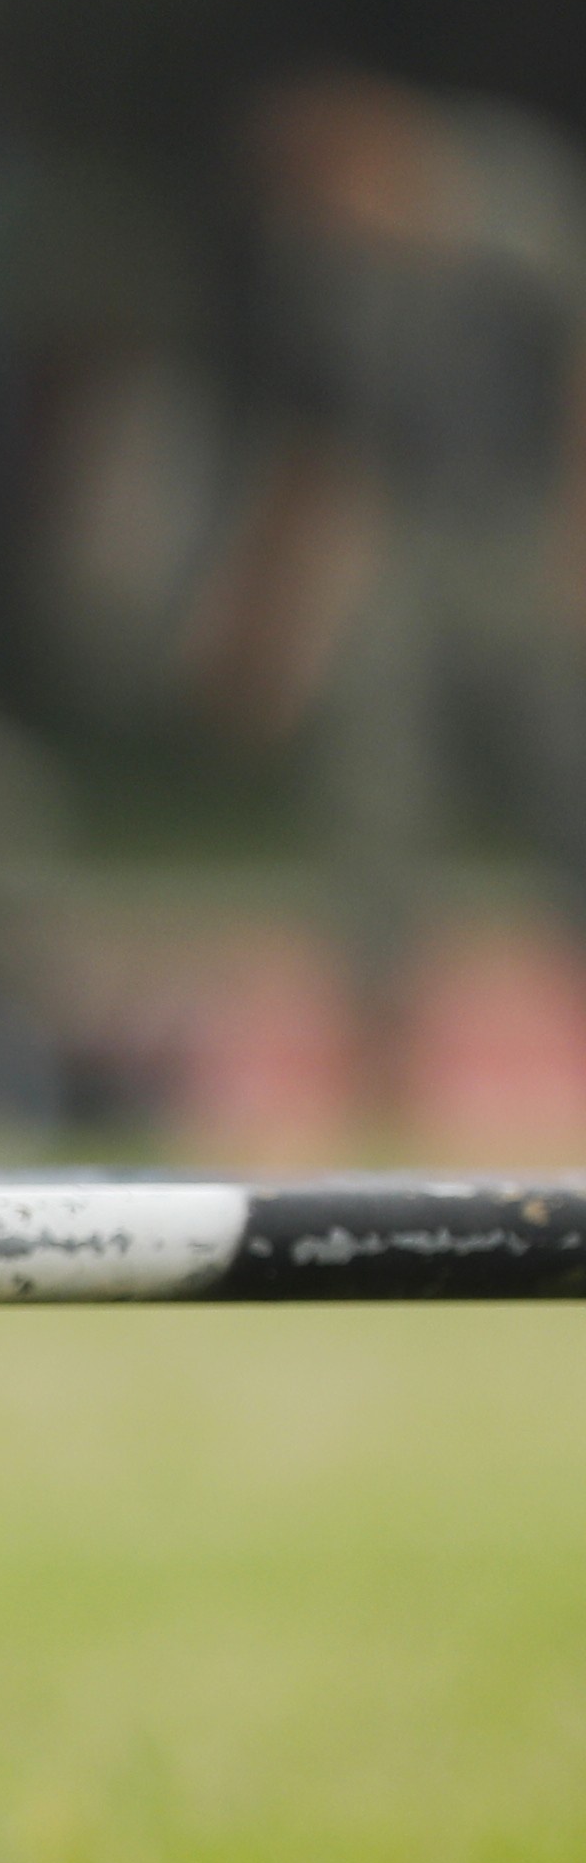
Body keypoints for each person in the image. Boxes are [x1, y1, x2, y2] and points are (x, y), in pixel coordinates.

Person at [199, 71, 586, 1137]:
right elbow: (319, 438)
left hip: (527, 525)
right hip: (403, 534)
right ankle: (380, 1056)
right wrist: (270, 611)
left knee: (569, 777)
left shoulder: (517, 201)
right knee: (373, 787)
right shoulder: (324, 263)